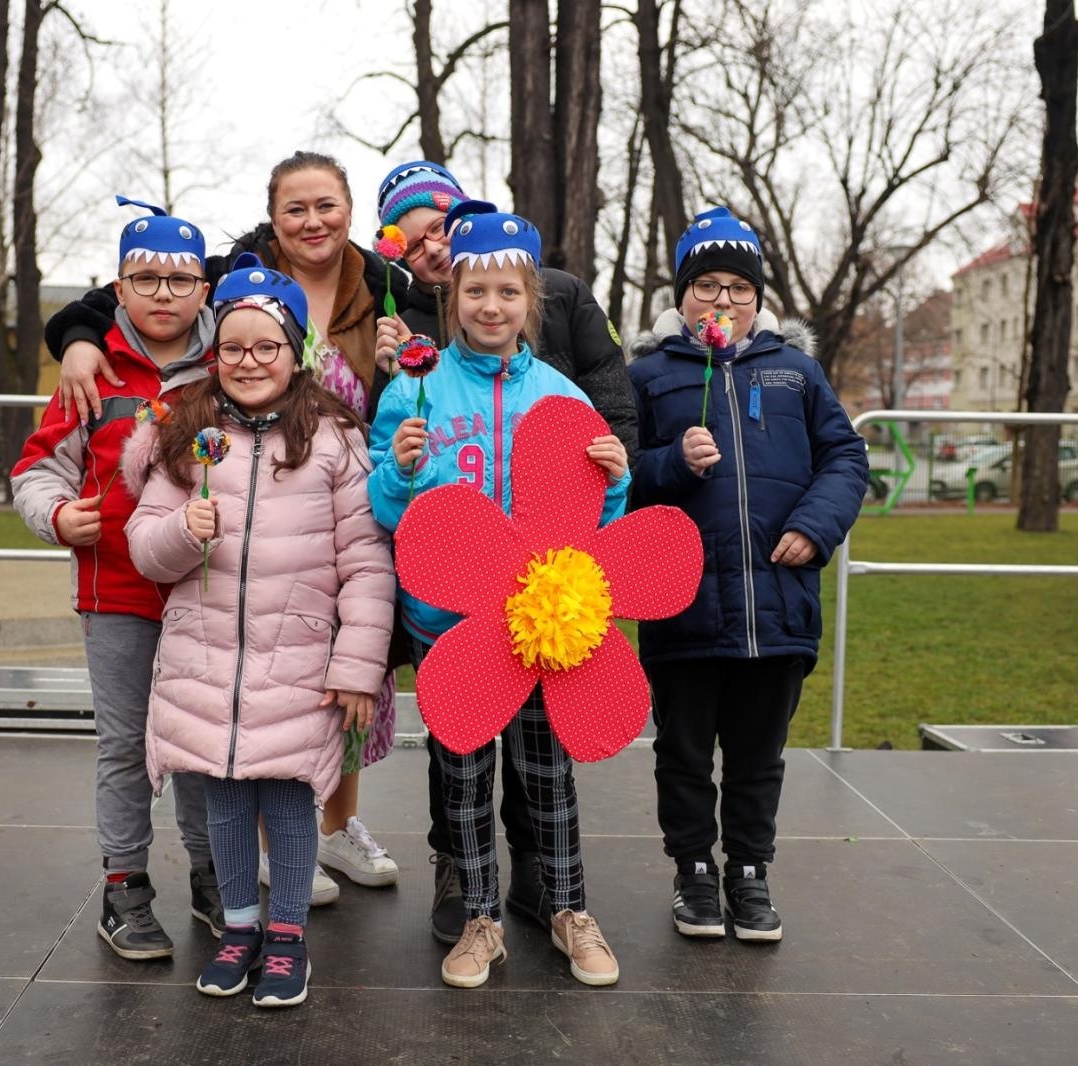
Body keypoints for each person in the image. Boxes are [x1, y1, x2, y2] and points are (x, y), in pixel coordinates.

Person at [47, 151, 404, 902]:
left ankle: (330, 836)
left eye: (327, 205)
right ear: (271, 219)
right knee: (200, 733)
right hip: (208, 574)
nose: (312, 221)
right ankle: (217, 883)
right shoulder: (223, 288)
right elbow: (139, 292)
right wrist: (79, 335)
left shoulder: (388, 288)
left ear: (351, 210)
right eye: (294, 208)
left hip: (329, 521)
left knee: (323, 713)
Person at [371, 161, 639, 944]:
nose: (492, 306)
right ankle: (478, 917)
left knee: (547, 775)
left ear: (532, 303)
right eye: (475, 291)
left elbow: (593, 516)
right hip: (445, 621)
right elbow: (385, 508)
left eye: (508, 292)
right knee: (461, 776)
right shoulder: (412, 392)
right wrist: (401, 470)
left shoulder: (561, 394)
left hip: (541, 630)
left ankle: (567, 909)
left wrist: (617, 484)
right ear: (450, 298)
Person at [122, 254, 395, 1008]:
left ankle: (286, 938)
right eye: (233, 348)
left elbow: (367, 566)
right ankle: (237, 929)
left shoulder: (335, 441)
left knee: (287, 800)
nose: (248, 362)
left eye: (266, 346)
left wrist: (357, 667)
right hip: (205, 661)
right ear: (216, 355)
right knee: (224, 803)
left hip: (300, 662)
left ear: (294, 352)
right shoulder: (188, 439)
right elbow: (146, 548)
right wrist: (184, 527)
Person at [626, 205, 868, 943]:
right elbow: (617, 478)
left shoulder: (796, 374)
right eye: (706, 286)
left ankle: (750, 872)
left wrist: (813, 526)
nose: (722, 300)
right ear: (682, 295)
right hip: (684, 603)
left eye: (737, 286)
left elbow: (845, 458)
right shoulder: (648, 377)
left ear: (758, 298)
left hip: (778, 605)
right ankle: (694, 870)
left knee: (760, 756)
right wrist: (671, 463)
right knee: (685, 752)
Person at [11, 198, 223, 961]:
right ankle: (124, 886)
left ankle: (216, 876)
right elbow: (37, 467)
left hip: (210, 595)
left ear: (207, 288)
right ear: (118, 287)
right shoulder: (90, 370)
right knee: (126, 746)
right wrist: (57, 514)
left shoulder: (229, 364)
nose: (163, 294)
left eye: (181, 280)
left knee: (202, 744)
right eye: (146, 279)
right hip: (118, 597)